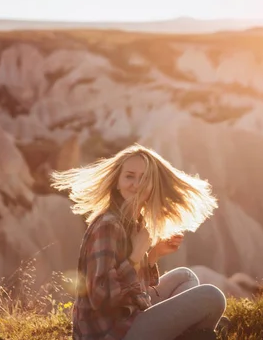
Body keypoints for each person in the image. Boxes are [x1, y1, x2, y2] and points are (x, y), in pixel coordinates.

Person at [51, 144, 228, 340]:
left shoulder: (133, 222)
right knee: (212, 297)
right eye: (129, 176)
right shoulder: (108, 226)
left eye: (144, 178)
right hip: (111, 333)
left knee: (185, 277)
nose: (136, 184)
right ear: (117, 182)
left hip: (129, 317)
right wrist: (136, 255)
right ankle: (195, 333)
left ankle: (191, 333)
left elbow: (133, 286)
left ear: (153, 186)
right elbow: (101, 299)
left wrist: (153, 255)